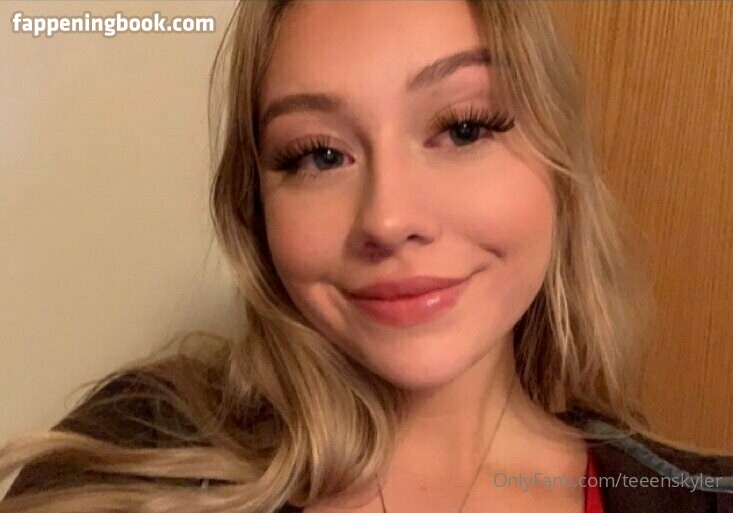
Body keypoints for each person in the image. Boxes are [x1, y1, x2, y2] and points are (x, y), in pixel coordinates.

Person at [1, 1, 732, 512]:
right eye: (319, 154)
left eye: (463, 128)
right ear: (256, 208)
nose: (387, 219)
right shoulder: (125, 461)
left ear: (558, 165)